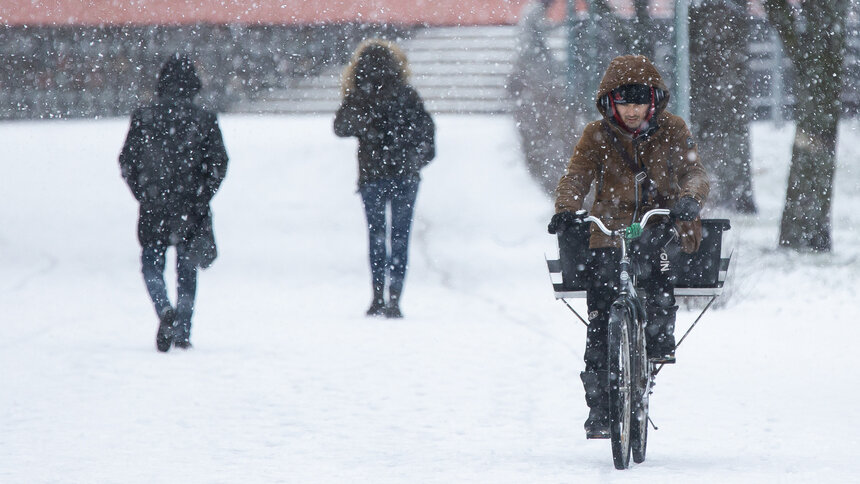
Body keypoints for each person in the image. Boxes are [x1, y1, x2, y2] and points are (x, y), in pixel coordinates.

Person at [547, 55, 709, 438]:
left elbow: (694, 172)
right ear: (610, 102)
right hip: (610, 228)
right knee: (601, 313)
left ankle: (656, 337)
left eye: (639, 102)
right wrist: (567, 209)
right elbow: (576, 176)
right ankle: (601, 408)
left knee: (655, 280)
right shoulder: (596, 135)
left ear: (653, 102)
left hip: (658, 222)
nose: (632, 111)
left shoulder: (672, 129)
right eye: (624, 102)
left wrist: (689, 199)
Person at [119, 54, 229, 352]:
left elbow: (127, 160)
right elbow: (219, 162)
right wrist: (203, 194)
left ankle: (163, 308)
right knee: (187, 268)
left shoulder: (144, 117)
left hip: (155, 205)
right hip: (190, 206)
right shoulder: (204, 119)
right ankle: (182, 330)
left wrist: (143, 192)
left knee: (151, 265)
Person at [334, 39, 435, 319]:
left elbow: (340, 127)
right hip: (404, 176)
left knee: (376, 236)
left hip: (372, 177)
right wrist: (415, 160)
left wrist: (365, 117)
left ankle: (377, 296)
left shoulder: (359, 96)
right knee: (400, 238)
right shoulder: (407, 94)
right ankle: (394, 299)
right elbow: (428, 134)